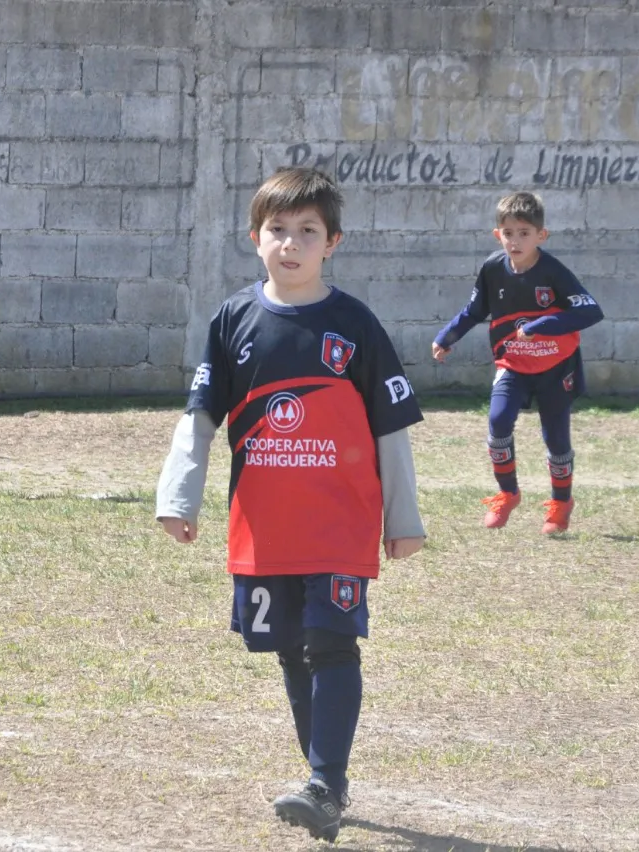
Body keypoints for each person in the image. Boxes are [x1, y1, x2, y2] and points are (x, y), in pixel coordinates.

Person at [155, 167, 425, 843]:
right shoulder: (234, 320)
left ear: (332, 241)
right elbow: (200, 418)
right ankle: (321, 775)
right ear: (255, 238)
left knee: (332, 645)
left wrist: (403, 518)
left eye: (308, 231)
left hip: (340, 524)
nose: (291, 244)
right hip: (266, 527)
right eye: (278, 229)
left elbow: (391, 427)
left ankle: (325, 786)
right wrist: (177, 496)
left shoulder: (354, 324)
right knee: (290, 651)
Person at [431, 191, 604, 533]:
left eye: (525, 233)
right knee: (498, 421)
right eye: (508, 233)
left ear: (542, 235)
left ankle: (560, 503)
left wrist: (543, 326)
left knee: (556, 438)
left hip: (557, 368)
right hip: (513, 363)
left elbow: (590, 311)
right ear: (498, 235)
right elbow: (474, 311)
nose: (516, 240)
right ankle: (507, 493)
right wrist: (447, 337)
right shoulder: (493, 269)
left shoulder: (554, 272)